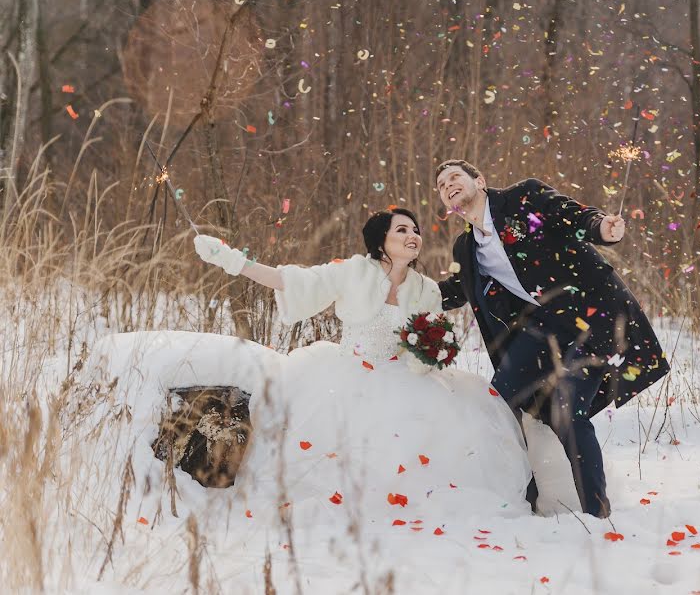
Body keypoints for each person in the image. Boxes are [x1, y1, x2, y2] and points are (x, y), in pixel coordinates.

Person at [192, 209, 532, 519]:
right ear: (381, 240)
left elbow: (428, 342)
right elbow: (291, 280)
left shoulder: (425, 288)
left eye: (416, 229)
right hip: (346, 376)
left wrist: (432, 351)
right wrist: (232, 260)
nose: (413, 235)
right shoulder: (354, 271)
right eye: (402, 229)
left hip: (404, 382)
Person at [435, 159, 671, 519]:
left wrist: (602, 228)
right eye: (441, 184)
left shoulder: (523, 199)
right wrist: (403, 291)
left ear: (479, 181)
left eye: (455, 177)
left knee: (568, 414)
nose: (448, 185)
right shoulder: (463, 248)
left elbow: (572, 217)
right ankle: (525, 499)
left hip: (586, 319)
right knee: (499, 403)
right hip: (538, 331)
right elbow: (456, 290)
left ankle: (596, 511)